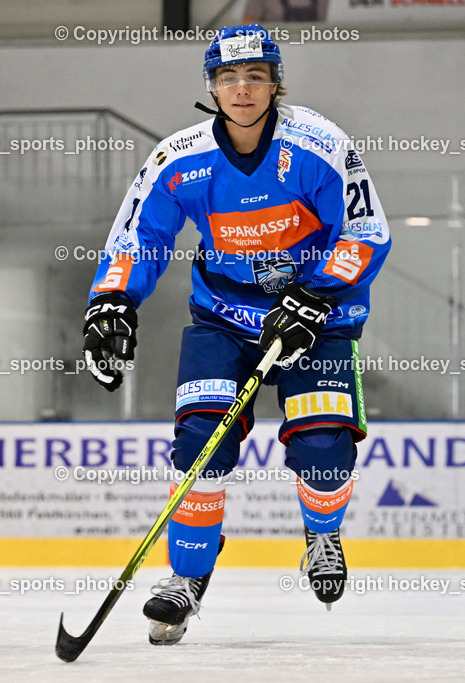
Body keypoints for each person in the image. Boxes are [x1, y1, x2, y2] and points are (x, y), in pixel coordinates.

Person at [81, 24, 390, 646]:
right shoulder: (179, 158)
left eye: (255, 76)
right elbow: (141, 237)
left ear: (277, 83)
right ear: (211, 88)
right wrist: (111, 301)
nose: (242, 88)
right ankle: (185, 579)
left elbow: (365, 233)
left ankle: (322, 535)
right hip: (225, 317)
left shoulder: (321, 146)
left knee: (325, 449)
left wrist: (317, 294)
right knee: (200, 446)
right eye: (227, 78)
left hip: (316, 321)